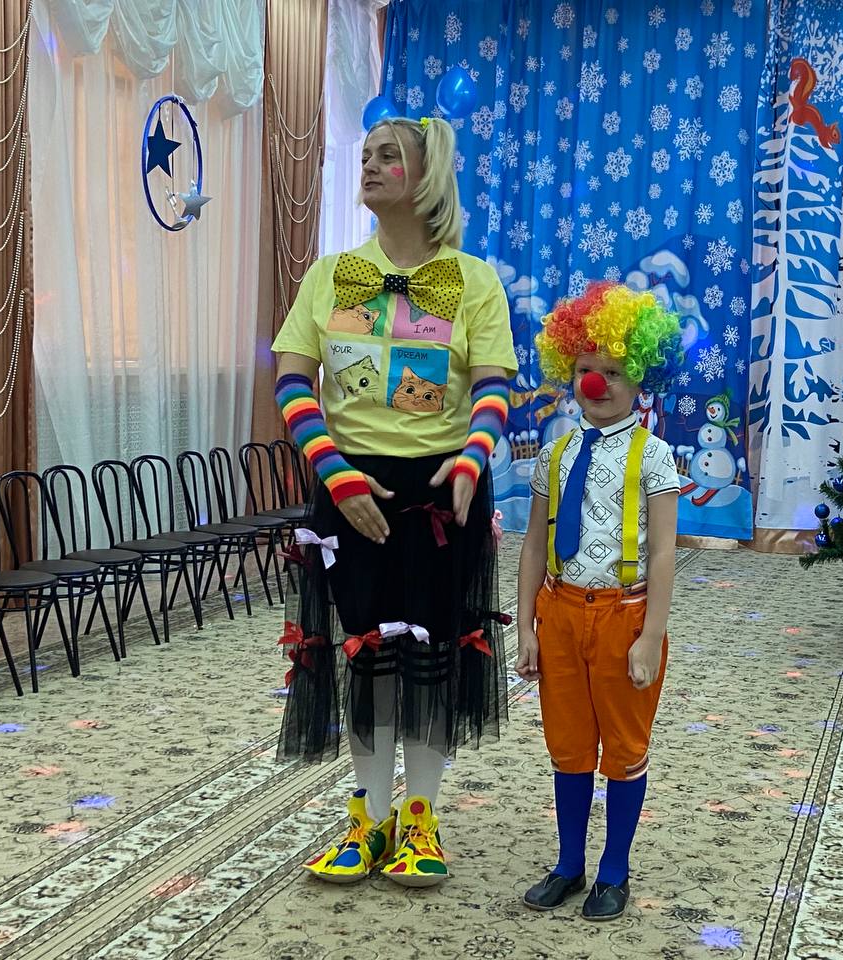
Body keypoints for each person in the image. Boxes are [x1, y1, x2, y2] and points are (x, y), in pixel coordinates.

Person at [271, 114, 516, 888]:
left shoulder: (472, 280)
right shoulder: (332, 274)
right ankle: (368, 819)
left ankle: (419, 819)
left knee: (431, 660)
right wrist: (332, 471)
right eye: (367, 154)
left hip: (438, 494)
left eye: (390, 156)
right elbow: (291, 379)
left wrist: (474, 457)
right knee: (365, 655)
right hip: (348, 487)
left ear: (427, 175)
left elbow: (493, 386)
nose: (370, 165)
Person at [515, 281, 683, 920]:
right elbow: (534, 546)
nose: (597, 383)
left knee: (624, 746)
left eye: (613, 371)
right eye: (587, 369)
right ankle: (568, 864)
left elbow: (664, 553)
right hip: (559, 612)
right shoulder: (555, 454)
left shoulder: (655, 456)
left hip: (624, 615)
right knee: (568, 744)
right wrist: (527, 626)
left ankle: (614, 870)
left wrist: (650, 636)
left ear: (641, 376)